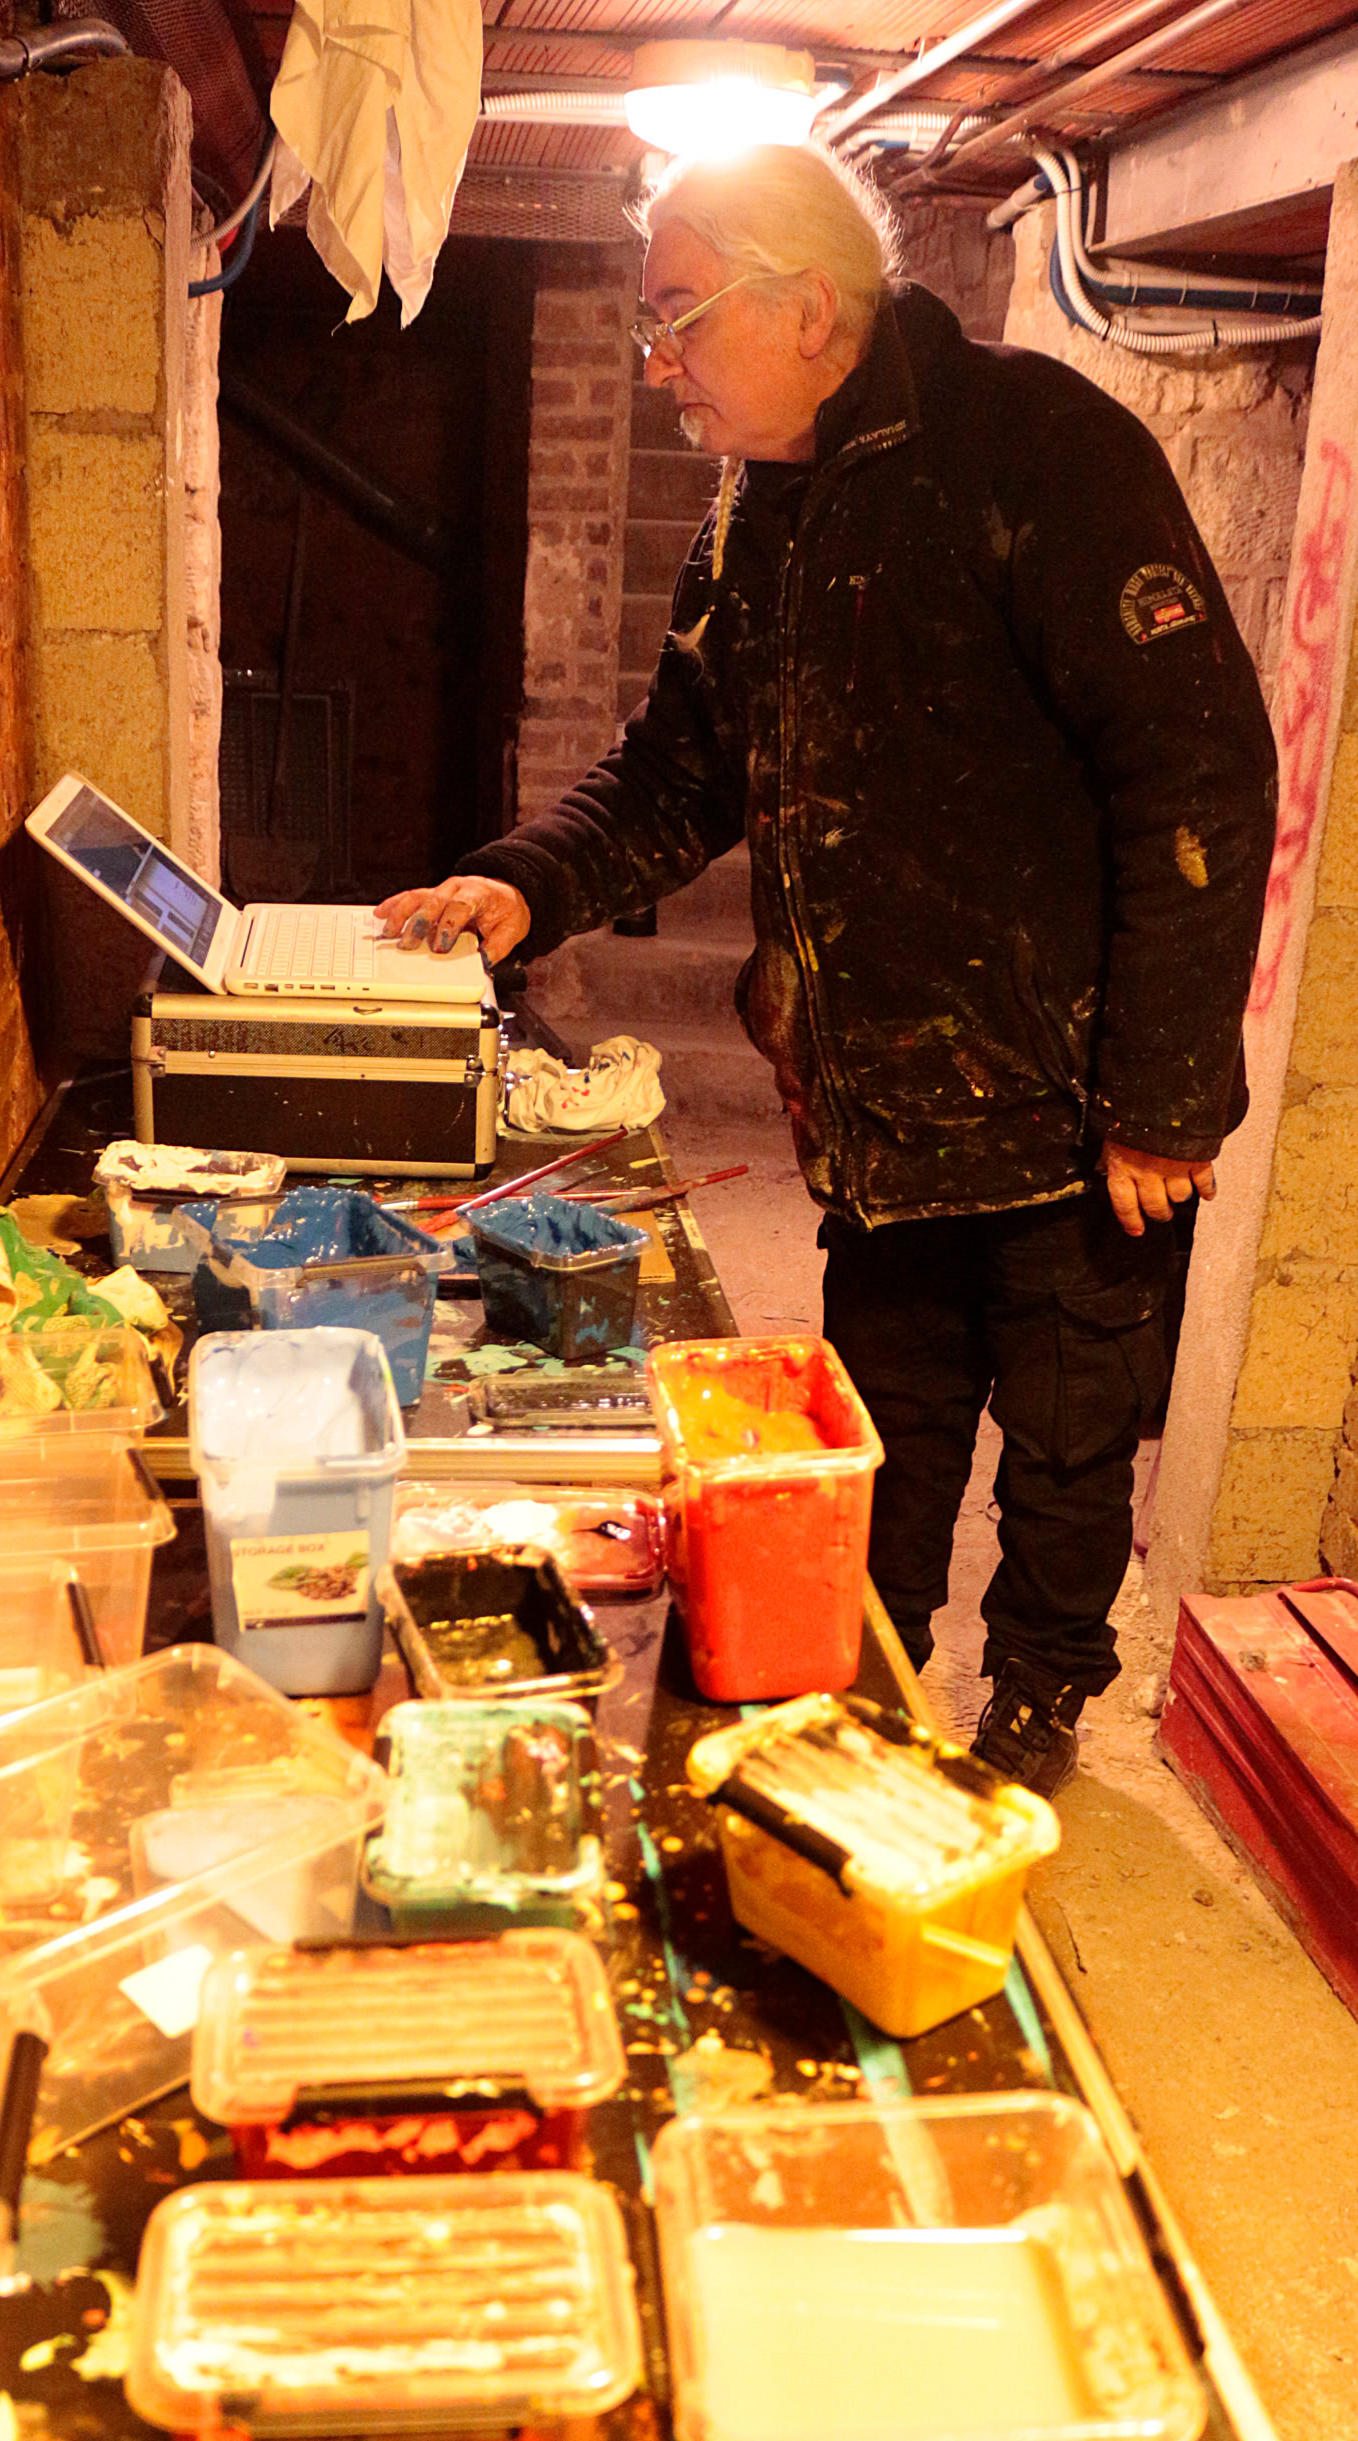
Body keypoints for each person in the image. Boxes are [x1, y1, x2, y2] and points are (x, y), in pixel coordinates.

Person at [375, 144, 1277, 1798]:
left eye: (679, 318)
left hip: (1068, 1105)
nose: (659, 364)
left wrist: (1160, 1092)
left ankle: (1036, 1715)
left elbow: (1198, 774)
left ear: (808, 306)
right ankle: (869, 1690)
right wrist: (524, 883)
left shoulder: (1035, 450)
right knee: (885, 1437)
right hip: (871, 1112)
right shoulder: (756, 517)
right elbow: (676, 769)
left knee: (1069, 1446)